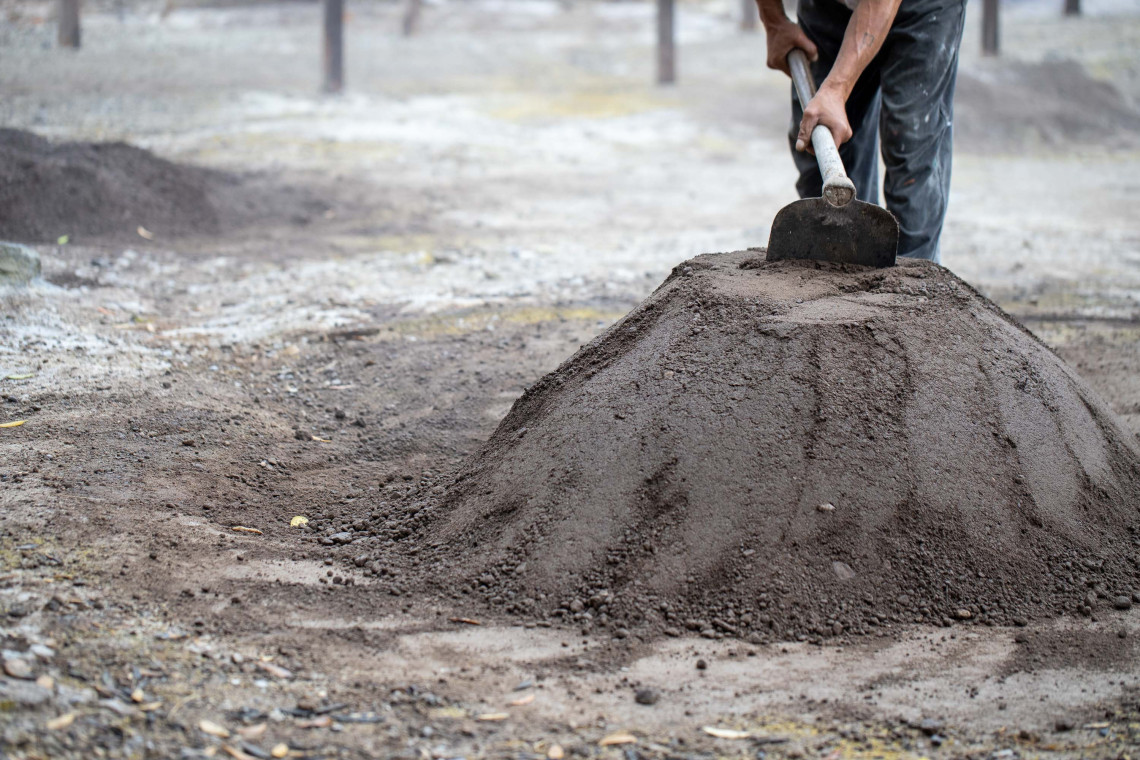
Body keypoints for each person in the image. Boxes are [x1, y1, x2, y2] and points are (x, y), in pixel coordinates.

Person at [756, 0, 966, 262]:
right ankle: (843, 279)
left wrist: (836, 88)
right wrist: (774, 22)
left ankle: (913, 288)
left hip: (924, 9)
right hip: (829, 9)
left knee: (910, 150)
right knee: (817, 141)